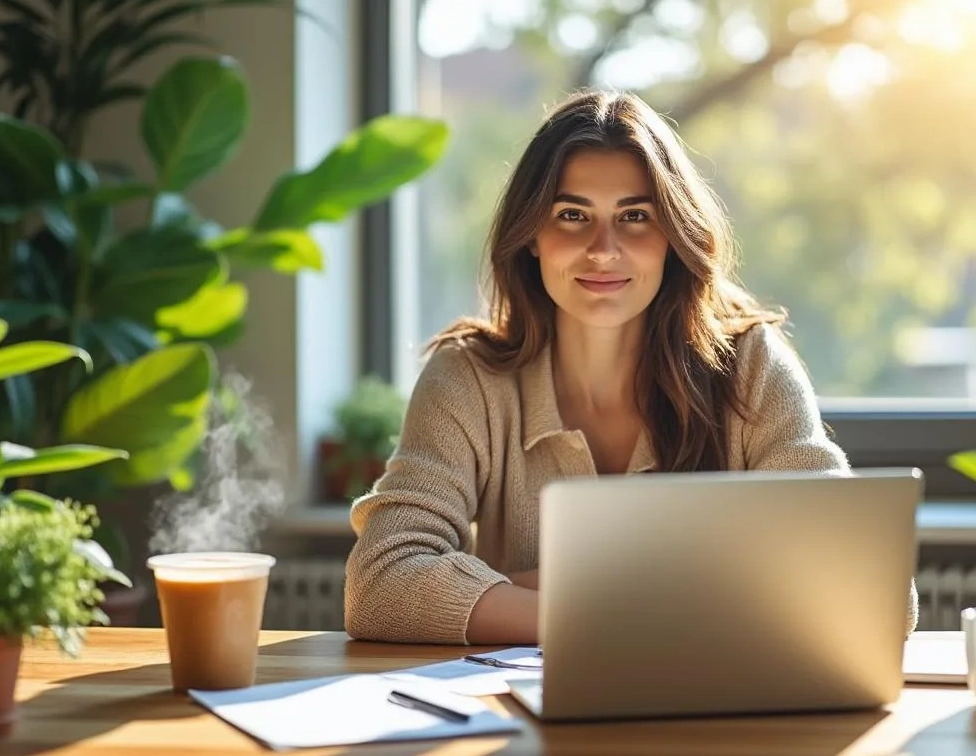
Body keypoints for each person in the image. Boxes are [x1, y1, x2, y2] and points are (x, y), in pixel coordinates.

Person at [345, 90, 919, 645]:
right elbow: (380, 584)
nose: (603, 249)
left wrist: (525, 589)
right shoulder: (467, 377)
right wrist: (622, 610)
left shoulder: (751, 365)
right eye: (572, 215)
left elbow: (877, 591)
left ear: (673, 235)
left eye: (636, 216)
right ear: (532, 236)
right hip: (524, 706)